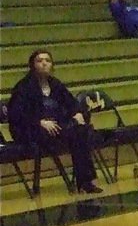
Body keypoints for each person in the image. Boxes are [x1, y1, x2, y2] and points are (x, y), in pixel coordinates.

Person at [7, 49, 103, 194]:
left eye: (47, 60)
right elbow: (16, 114)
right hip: (30, 130)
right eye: (39, 61)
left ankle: (85, 182)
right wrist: (39, 122)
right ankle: (84, 180)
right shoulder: (23, 87)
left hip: (56, 127)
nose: (44, 63)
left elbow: (71, 103)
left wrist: (77, 113)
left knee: (80, 132)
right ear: (32, 65)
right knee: (79, 132)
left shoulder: (55, 84)